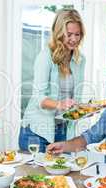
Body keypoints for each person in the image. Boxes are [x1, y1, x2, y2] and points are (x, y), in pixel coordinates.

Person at [19, 8, 86, 152]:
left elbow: (76, 94)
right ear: (59, 33)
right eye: (69, 34)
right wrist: (60, 104)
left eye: (77, 34)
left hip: (63, 128)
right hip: (38, 131)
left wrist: (84, 107)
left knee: (62, 174)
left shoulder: (80, 60)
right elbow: (39, 97)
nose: (74, 39)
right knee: (34, 174)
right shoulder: (45, 57)